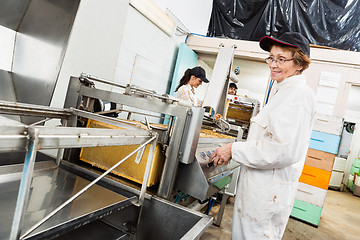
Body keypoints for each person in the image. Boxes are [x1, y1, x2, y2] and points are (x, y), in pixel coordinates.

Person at [209, 32, 316, 240]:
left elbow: (283, 149)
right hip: (260, 194)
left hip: (266, 197)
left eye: (282, 59)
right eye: (272, 58)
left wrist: (234, 149)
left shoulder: (298, 95)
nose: (273, 64)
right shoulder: (283, 91)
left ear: (300, 64)